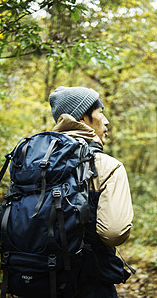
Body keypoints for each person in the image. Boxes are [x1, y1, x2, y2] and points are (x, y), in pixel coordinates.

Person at [49, 86, 134, 297]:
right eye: (100, 112)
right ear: (83, 118)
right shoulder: (107, 166)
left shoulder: (36, 162)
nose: (106, 121)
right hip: (89, 284)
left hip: (36, 281)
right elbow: (113, 233)